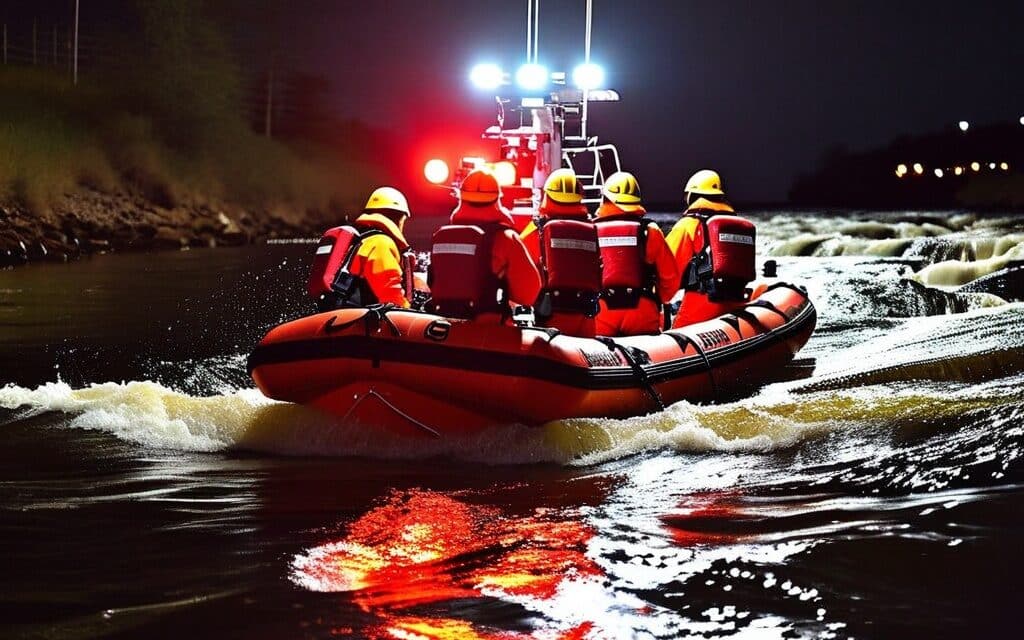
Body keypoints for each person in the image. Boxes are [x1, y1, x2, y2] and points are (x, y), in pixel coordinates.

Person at [428, 170, 541, 323]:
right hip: (489, 331)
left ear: (461, 198)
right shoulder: (505, 238)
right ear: (497, 200)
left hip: (446, 330)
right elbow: (529, 294)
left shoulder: (440, 236)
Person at [667, 169, 757, 327]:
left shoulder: (688, 224)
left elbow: (666, 269)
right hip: (737, 306)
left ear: (692, 196)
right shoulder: (738, 224)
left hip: (701, 307)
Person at [592, 171, 678, 336]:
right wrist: (661, 299)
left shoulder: (591, 230)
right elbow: (670, 279)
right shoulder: (650, 231)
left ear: (605, 199)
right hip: (642, 312)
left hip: (600, 311)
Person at [520, 169, 602, 337]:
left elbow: (518, 267)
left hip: (551, 317)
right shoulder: (593, 229)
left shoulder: (538, 230)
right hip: (586, 315)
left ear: (547, 196)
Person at [307, 186, 414, 310]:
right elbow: (390, 292)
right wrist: (410, 311)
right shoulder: (380, 242)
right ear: (400, 218)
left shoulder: (358, 240)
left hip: (334, 315)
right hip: (356, 321)